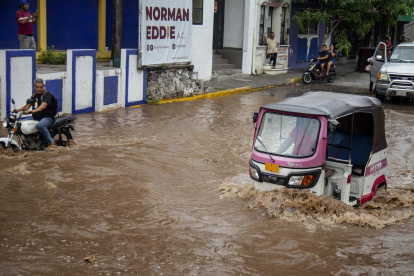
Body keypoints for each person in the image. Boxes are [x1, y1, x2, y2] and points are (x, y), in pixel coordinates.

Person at [13, 78, 57, 148]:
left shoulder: (46, 95)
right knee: (21, 124)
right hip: (36, 117)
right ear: (34, 87)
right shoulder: (34, 95)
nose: (39, 89)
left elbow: (43, 106)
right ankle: (28, 141)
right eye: (37, 87)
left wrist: (33, 111)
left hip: (48, 117)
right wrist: (17, 110)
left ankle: (51, 142)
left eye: (41, 87)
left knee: (40, 125)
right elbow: (28, 106)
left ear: (44, 86)